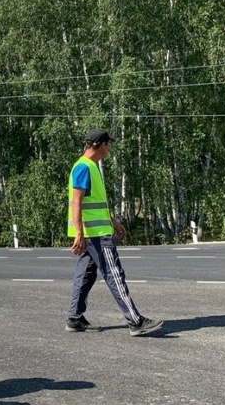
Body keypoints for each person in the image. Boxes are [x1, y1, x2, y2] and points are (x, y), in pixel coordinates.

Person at [67, 129, 161, 336]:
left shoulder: (89, 166)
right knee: (114, 275)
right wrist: (79, 234)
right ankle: (135, 321)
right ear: (102, 145)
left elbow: (95, 203)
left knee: (85, 275)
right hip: (96, 235)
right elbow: (77, 201)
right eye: (108, 145)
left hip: (95, 231)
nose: (109, 149)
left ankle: (74, 318)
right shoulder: (84, 167)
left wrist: (114, 221)